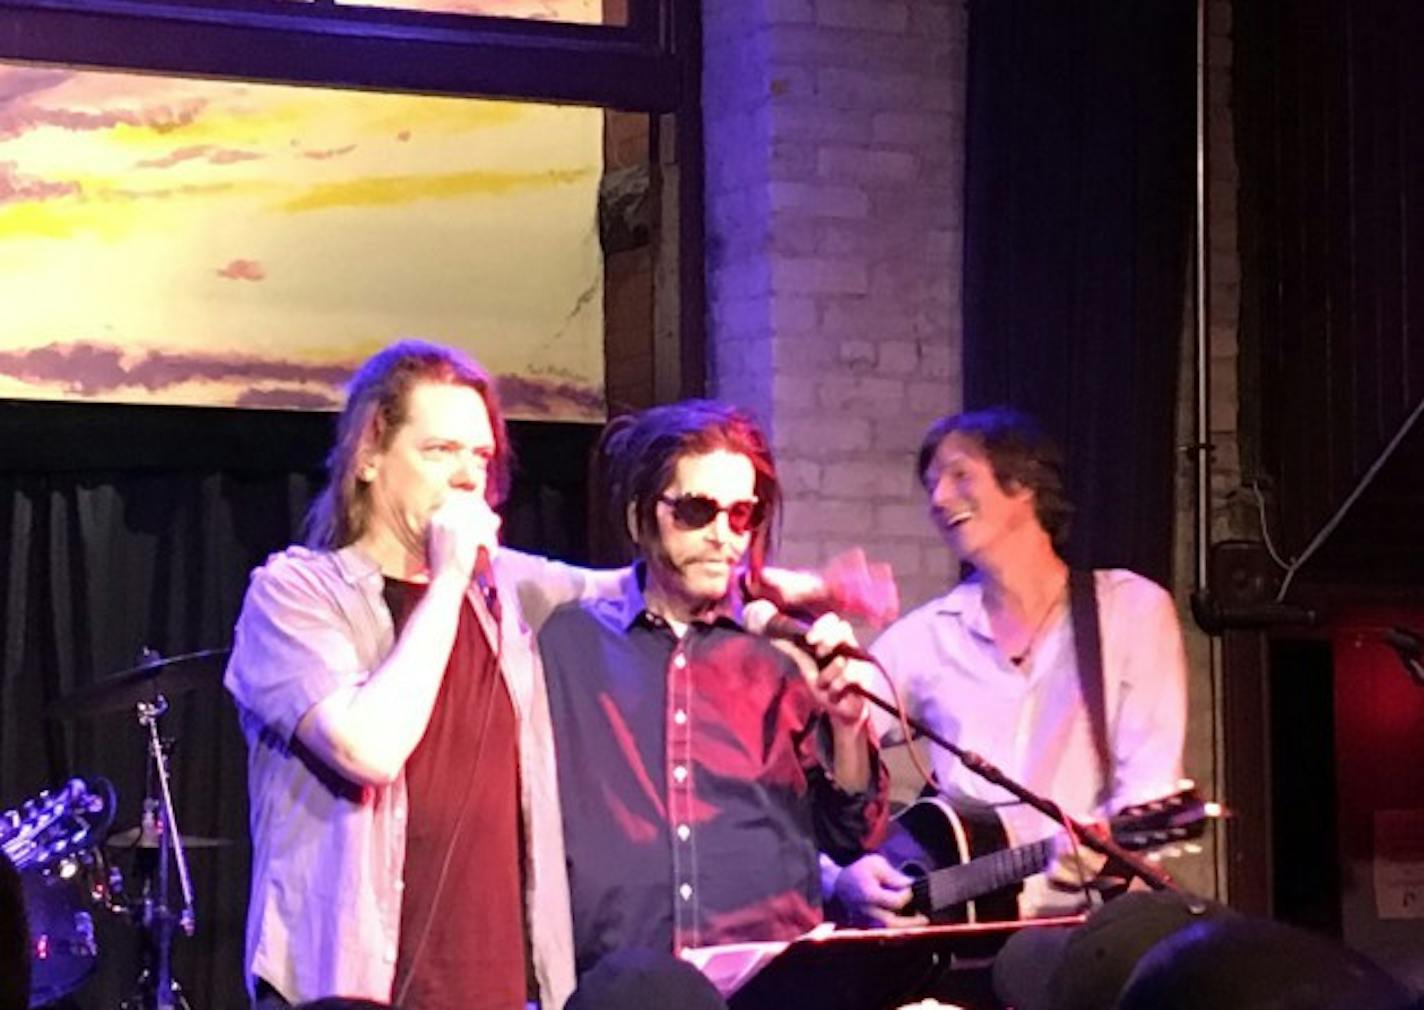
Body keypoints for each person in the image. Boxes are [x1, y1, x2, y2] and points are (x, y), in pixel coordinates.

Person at [225, 340, 620, 1010]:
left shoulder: (511, 589)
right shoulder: (294, 593)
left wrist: (768, 599)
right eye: (441, 451)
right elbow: (367, 749)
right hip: (347, 990)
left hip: (496, 988)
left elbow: (634, 594)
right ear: (369, 456)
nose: (468, 477)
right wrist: (448, 581)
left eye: (482, 457)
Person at [538, 400, 891, 975]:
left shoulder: (785, 653)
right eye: (697, 511)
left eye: (741, 515)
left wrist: (849, 727)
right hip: (622, 981)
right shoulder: (569, 643)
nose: (722, 536)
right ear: (639, 517)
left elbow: (851, 836)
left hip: (771, 982)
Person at [828, 407, 1189, 925]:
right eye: (931, 485)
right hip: (967, 939)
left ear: (1023, 483)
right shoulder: (929, 636)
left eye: (959, 476)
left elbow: (1150, 784)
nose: (937, 499)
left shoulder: (1130, 610)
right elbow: (831, 748)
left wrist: (1107, 854)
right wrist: (847, 871)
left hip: (1095, 933)